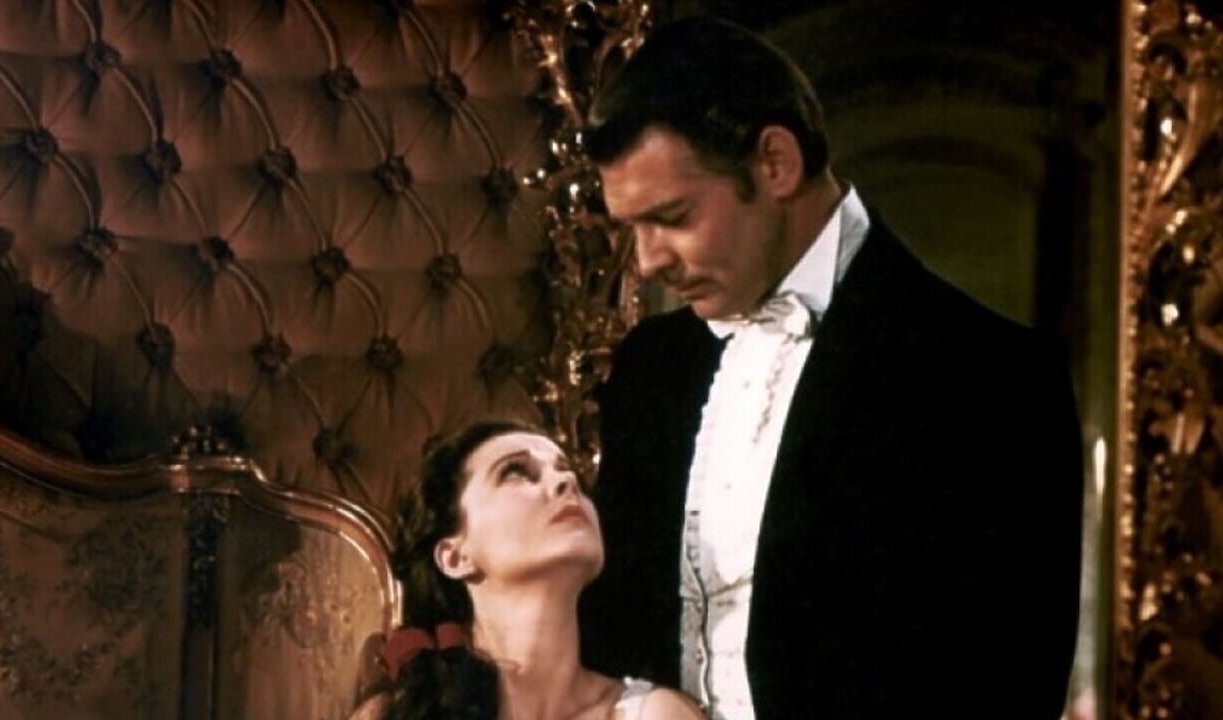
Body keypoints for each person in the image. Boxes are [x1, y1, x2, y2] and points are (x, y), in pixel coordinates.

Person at [577, 17, 1084, 720]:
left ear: (775, 163)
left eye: (673, 216)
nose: (647, 260)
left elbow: (1005, 694)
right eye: (631, 226)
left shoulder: (996, 380)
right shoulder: (650, 368)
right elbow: (614, 639)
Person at [372, 419, 705, 720]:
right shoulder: (401, 712)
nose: (566, 480)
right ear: (455, 557)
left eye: (568, 470)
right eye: (516, 472)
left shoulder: (655, 714)